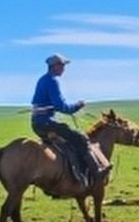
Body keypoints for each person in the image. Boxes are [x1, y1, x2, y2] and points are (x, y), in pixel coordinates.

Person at [31, 54, 108, 186]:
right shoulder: (52, 81)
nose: (64, 68)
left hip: (37, 122)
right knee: (81, 138)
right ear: (54, 66)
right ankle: (97, 170)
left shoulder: (43, 79)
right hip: (46, 122)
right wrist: (78, 105)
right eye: (62, 65)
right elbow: (62, 107)